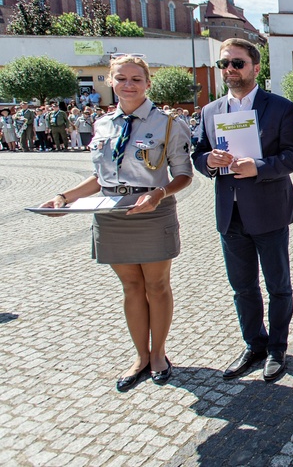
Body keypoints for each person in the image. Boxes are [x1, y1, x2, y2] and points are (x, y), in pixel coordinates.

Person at [38, 55, 193, 391]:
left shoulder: (167, 123)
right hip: (111, 213)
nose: (129, 85)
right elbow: (99, 178)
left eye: (136, 79)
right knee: (131, 287)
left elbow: (184, 175)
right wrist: (65, 198)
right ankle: (139, 355)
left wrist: (158, 194)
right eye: (121, 78)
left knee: (157, 286)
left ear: (148, 83)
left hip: (152, 210)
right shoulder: (103, 125)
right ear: (110, 81)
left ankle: (158, 354)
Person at [192, 38, 293, 383]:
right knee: (242, 286)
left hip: (269, 209)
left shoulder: (280, 108)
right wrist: (207, 161)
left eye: (237, 63)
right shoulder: (210, 111)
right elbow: (198, 153)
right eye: (224, 64)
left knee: (277, 285)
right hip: (230, 212)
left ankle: (277, 347)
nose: (230, 70)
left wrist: (260, 167)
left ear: (256, 68)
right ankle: (253, 344)